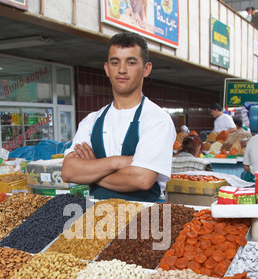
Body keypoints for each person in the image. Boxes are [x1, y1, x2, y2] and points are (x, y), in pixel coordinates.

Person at [62, 32, 176, 202]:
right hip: (96, 217)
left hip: (144, 219)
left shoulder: (157, 120)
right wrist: (116, 162)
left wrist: (92, 170)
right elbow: (69, 172)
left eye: (131, 62)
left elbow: (142, 179)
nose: (122, 69)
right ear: (107, 69)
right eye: (115, 62)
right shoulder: (91, 121)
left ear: (146, 69)